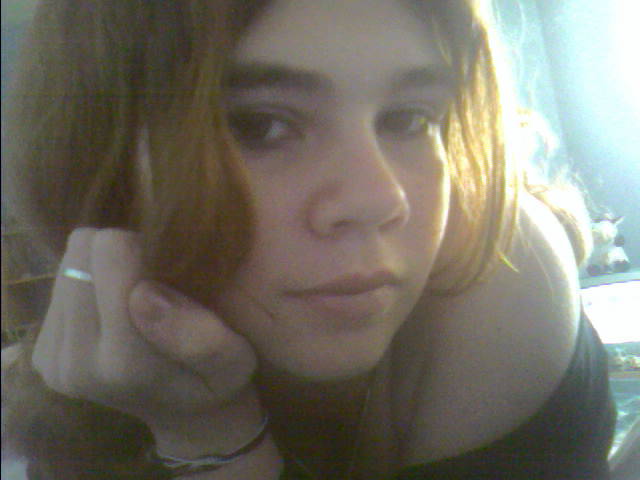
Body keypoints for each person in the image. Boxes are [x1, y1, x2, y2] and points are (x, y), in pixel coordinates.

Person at [1, 0, 616, 479]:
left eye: (410, 118)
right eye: (259, 125)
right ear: (100, 154)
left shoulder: (504, 274)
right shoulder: (94, 358)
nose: (382, 199)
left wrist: (211, 438)